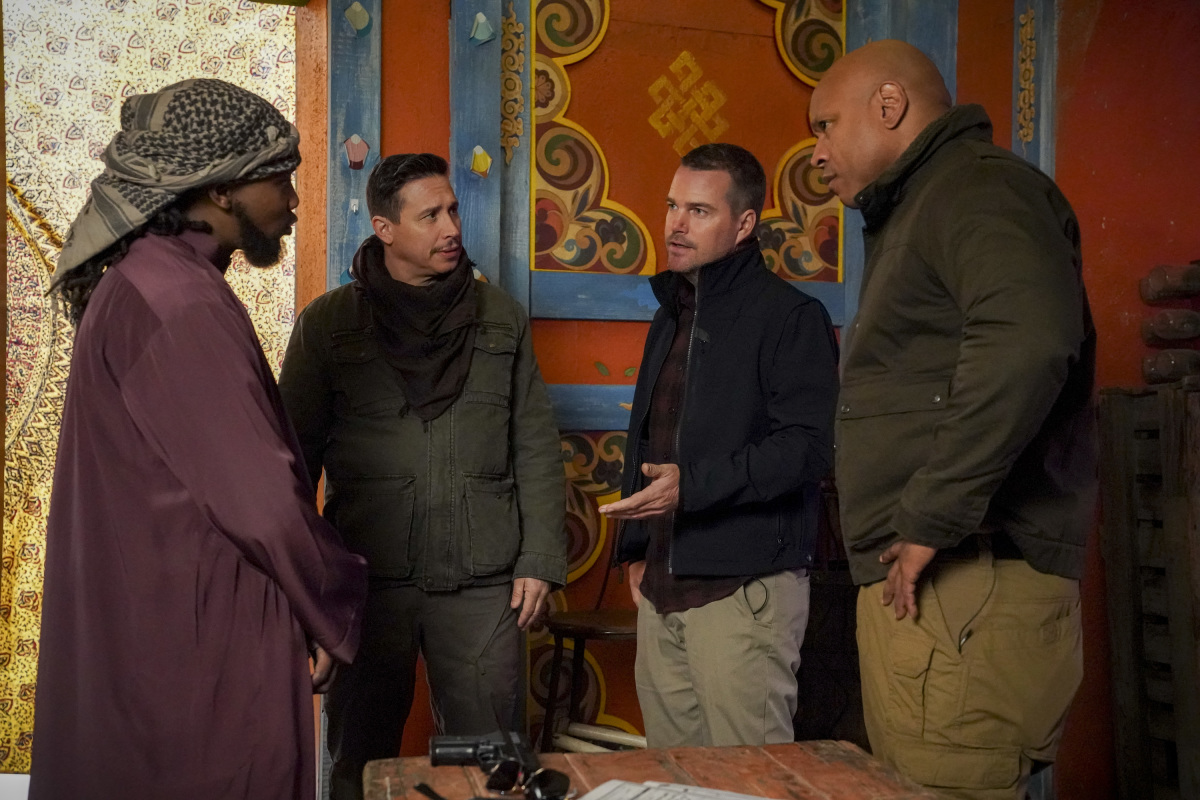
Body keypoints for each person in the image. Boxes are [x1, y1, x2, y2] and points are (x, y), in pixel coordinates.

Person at [31, 78, 368, 800]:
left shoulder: (149, 281)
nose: (293, 200)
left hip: (154, 633)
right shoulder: (179, 301)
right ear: (219, 189)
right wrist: (332, 604)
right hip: (199, 652)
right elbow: (262, 505)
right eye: (279, 178)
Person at [810, 40, 1096, 799]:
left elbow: (1029, 342)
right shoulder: (932, 200)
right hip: (945, 588)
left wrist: (931, 514)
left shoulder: (977, 187)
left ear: (890, 104)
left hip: (963, 581)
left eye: (826, 125)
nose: (817, 153)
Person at [278, 153, 566, 800]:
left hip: (483, 583)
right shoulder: (329, 324)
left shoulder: (501, 318)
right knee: (358, 765)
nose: (451, 228)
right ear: (384, 228)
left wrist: (541, 558)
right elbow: (291, 464)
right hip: (366, 582)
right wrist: (303, 587)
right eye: (430, 215)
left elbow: (535, 445)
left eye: (453, 210)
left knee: (496, 767)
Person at [600, 143, 839, 748]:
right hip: (661, 585)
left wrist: (692, 487)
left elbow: (809, 448)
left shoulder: (791, 317)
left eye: (699, 211)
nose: (676, 224)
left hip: (745, 589)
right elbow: (650, 433)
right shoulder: (671, 313)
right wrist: (635, 550)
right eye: (672, 206)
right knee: (676, 780)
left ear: (744, 223)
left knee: (749, 782)